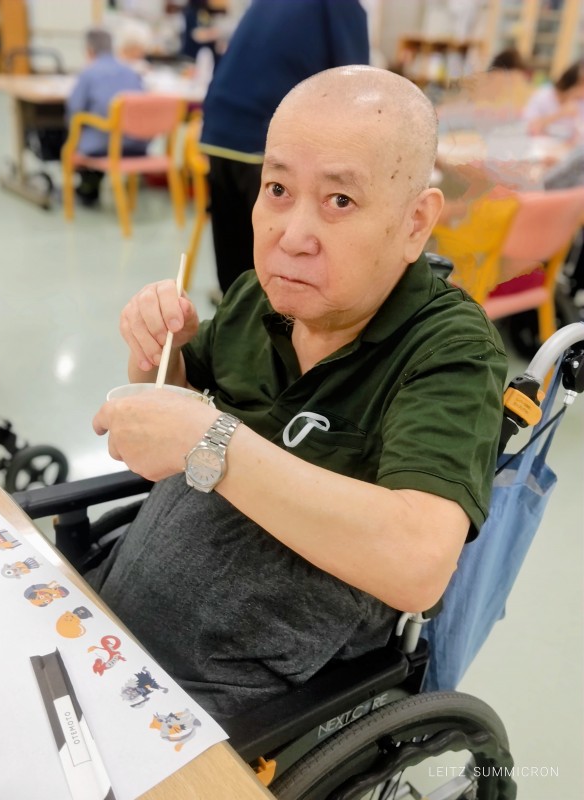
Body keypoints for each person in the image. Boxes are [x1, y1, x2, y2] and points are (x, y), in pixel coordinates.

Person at [90, 65, 507, 723]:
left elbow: (419, 564)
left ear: (415, 222)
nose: (291, 236)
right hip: (112, 626)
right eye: (278, 189)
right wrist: (154, 355)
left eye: (339, 200)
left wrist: (211, 441)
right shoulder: (260, 297)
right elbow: (167, 426)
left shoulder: (449, 350)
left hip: (227, 702)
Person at [199, 0, 370, 295]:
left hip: (220, 130)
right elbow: (358, 85)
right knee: (278, 258)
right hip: (263, 134)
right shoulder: (340, 5)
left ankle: (233, 309)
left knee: (234, 254)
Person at [66, 28, 147, 206]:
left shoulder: (88, 73)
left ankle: (86, 186)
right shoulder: (131, 72)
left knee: (72, 135)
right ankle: (90, 185)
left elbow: (75, 110)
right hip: (137, 144)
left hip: (105, 147)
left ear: (89, 50)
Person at [522, 59, 584, 141]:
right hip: (537, 144)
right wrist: (560, 113)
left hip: (565, 147)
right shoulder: (543, 96)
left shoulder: (580, 103)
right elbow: (529, 127)